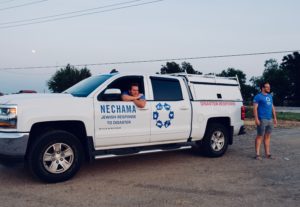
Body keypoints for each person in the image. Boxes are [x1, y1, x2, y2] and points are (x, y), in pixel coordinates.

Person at [253, 82, 277, 160]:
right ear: (263, 88)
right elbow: (255, 109)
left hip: (270, 119)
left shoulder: (270, 96)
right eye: (267, 87)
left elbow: (272, 107)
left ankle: (267, 153)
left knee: (267, 136)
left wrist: (275, 118)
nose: (269, 88)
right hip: (262, 119)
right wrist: (256, 119)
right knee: (260, 136)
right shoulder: (258, 97)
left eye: (269, 87)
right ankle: (257, 154)